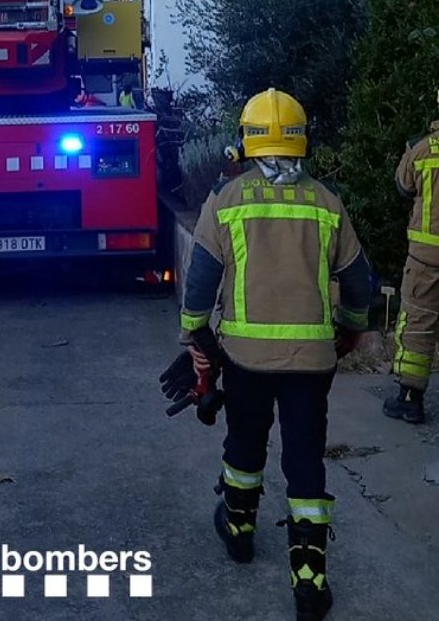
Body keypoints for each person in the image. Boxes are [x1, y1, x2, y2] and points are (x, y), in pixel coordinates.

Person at [172, 88, 371, 620]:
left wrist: (197, 339)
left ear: (246, 142)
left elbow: (201, 281)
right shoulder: (327, 203)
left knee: (245, 442)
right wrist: (351, 331)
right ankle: (309, 581)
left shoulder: (227, 200)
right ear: (302, 141)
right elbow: (359, 283)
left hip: (244, 360)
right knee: (305, 459)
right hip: (312, 362)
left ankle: (238, 529)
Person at [383, 99, 439, 425]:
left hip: (425, 258)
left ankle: (409, 399)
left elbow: (403, 186)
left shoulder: (423, 150)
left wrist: (409, 153)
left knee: (417, 324)